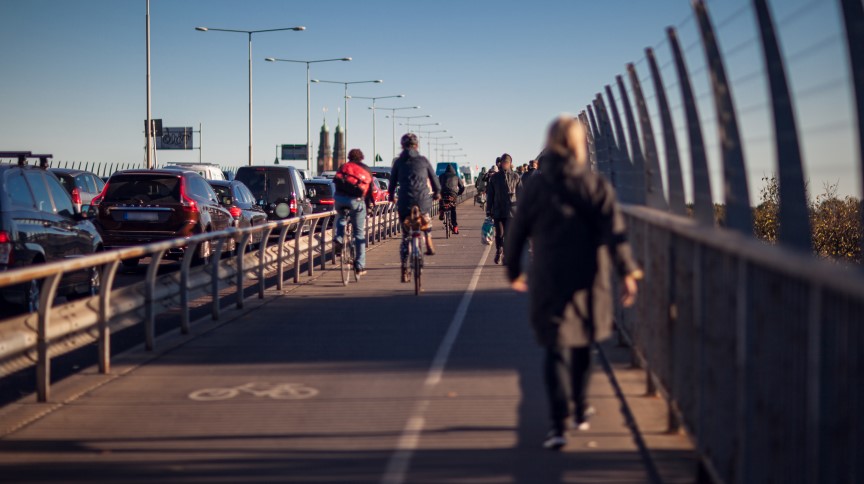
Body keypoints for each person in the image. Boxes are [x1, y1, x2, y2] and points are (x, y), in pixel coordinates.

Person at [505, 116, 642, 451]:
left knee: (555, 348)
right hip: (589, 277)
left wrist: (513, 270)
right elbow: (615, 232)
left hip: (549, 274)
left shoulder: (536, 185)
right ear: (581, 143)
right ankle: (580, 406)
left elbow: (517, 230)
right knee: (583, 344)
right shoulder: (595, 185)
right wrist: (627, 271)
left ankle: (557, 425)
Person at [388, 133, 441, 283]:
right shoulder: (423, 161)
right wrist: (437, 193)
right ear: (417, 146)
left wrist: (391, 197)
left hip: (405, 201)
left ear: (402, 146)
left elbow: (391, 184)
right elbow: (434, 179)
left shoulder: (398, 162)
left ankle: (405, 268)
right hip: (423, 200)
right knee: (425, 218)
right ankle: (428, 237)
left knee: (406, 236)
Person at [333, 148, 377, 277]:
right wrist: (370, 206)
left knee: (341, 216)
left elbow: (336, 183)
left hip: (340, 199)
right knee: (359, 234)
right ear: (361, 158)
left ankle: (339, 238)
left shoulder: (343, 167)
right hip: (356, 201)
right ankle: (359, 266)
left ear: (349, 157)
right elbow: (368, 191)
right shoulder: (366, 169)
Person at [485, 153, 522, 264]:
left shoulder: (516, 177)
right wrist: (488, 209)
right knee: (500, 233)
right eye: (503, 162)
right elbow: (490, 195)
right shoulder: (495, 178)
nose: (505, 164)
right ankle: (499, 250)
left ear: (510, 164)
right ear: (501, 164)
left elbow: (521, 193)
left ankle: (505, 253)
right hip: (498, 210)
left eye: (507, 162)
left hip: (512, 211)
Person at [438, 164, 465, 234]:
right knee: (453, 209)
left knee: (441, 198)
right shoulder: (456, 176)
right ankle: (455, 227)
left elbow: (436, 185)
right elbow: (462, 187)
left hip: (443, 193)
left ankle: (441, 211)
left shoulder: (441, 176)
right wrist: (458, 193)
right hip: (453, 195)